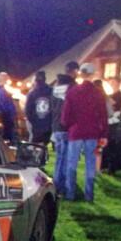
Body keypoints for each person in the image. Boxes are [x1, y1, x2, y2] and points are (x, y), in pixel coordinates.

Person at [61, 63, 109, 202]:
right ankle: (89, 194)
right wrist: (104, 134)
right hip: (92, 133)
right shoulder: (98, 93)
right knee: (90, 164)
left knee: (72, 163)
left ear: (80, 74)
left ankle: (70, 193)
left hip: (75, 132)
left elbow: (65, 116)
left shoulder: (72, 91)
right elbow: (103, 116)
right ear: (93, 74)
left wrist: (70, 126)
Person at [49, 60, 79, 197]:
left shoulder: (56, 85)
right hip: (68, 126)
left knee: (59, 158)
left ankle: (56, 185)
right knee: (67, 159)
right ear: (74, 71)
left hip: (56, 126)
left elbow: (52, 105)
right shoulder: (73, 87)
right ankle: (65, 188)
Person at [24, 71, 52, 144]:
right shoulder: (51, 91)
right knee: (48, 146)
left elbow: (27, 111)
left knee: (36, 147)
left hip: (36, 126)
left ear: (35, 80)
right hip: (49, 126)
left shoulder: (32, 93)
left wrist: (34, 122)